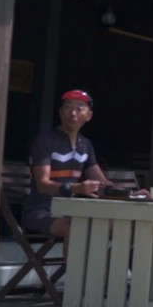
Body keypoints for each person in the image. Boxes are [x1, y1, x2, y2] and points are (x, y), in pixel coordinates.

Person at [24, 90, 120, 248]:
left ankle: (105, 270)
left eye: (79, 108)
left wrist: (130, 194)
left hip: (72, 210)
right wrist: (77, 188)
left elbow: (102, 182)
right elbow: (42, 184)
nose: (73, 113)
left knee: (117, 224)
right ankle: (76, 272)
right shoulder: (45, 140)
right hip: (41, 210)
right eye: (68, 107)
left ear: (89, 116)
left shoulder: (86, 145)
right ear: (60, 112)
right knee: (75, 227)